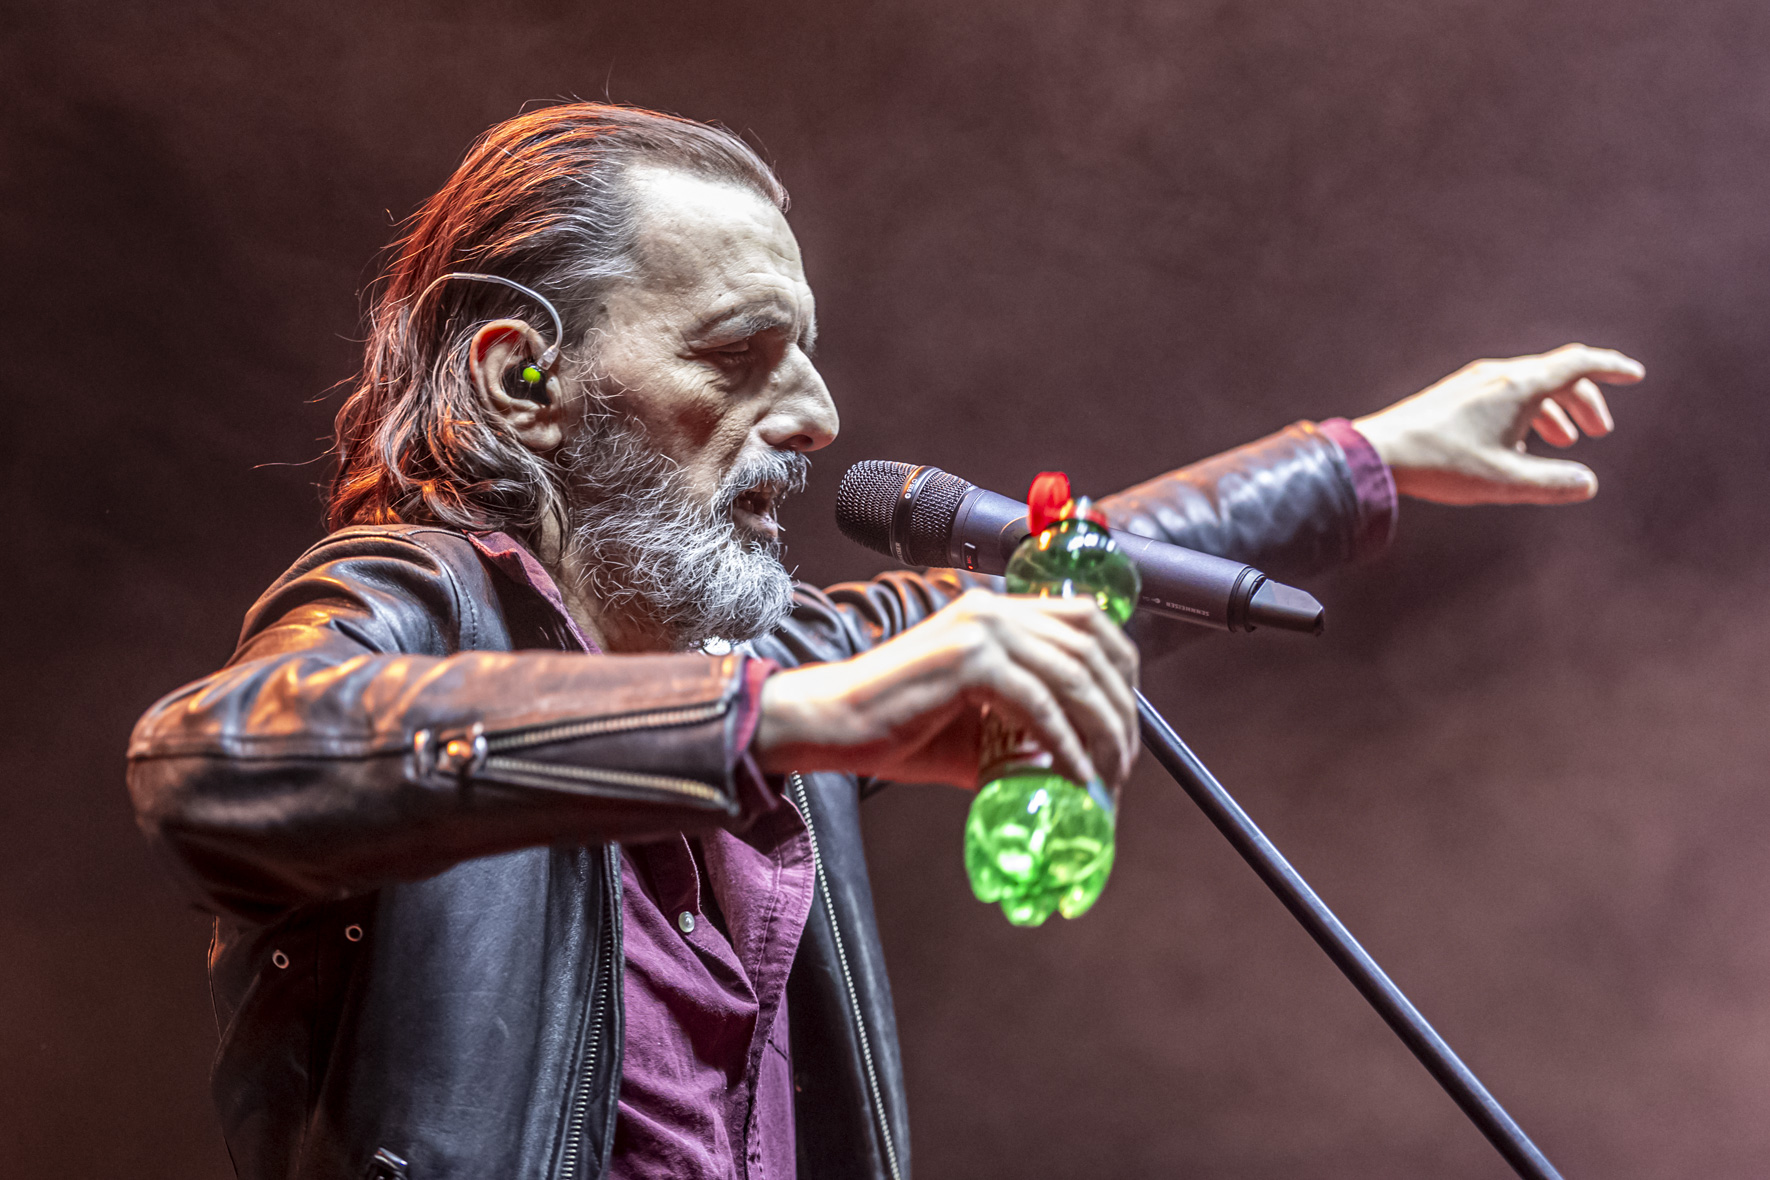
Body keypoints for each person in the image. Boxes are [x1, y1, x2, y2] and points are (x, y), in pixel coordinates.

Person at [125, 103, 1643, 1180]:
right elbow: (210, 762)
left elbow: (1069, 574)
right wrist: (773, 724)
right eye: (740, 352)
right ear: (524, 380)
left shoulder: (780, 653)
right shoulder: (413, 599)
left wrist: (1375, 453)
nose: (816, 413)